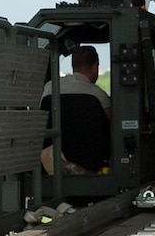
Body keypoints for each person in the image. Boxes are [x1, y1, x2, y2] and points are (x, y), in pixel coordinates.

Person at [42, 45, 111, 173]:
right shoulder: (97, 94)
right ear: (95, 67)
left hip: (52, 163)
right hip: (92, 162)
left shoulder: (49, 89)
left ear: (73, 66)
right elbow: (112, 126)